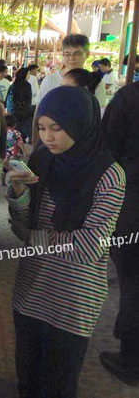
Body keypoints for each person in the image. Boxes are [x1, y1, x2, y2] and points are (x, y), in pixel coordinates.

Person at [6, 87, 126, 398]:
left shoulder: (109, 175)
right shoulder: (44, 160)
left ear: (80, 123)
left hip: (73, 299)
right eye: (42, 128)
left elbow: (89, 246)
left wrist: (33, 239)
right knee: (28, 376)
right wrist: (18, 194)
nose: (48, 137)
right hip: (32, 287)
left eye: (57, 128)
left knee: (58, 381)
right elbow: (22, 224)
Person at [100, 81, 139, 385]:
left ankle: (131, 357)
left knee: (133, 280)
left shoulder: (130, 96)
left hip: (133, 201)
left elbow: (107, 145)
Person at [5, 68, 33, 141]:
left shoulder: (13, 85)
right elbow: (29, 100)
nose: (29, 76)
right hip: (25, 114)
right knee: (23, 132)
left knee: (15, 133)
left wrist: (9, 111)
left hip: (14, 114)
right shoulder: (27, 85)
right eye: (28, 74)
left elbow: (8, 100)